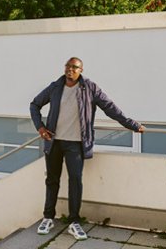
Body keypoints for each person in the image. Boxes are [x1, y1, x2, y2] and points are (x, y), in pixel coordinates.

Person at [30, 57, 145, 241]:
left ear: (81, 70)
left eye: (74, 67)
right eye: (68, 66)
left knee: (75, 181)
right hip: (54, 142)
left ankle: (73, 222)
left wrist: (131, 124)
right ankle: (48, 217)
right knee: (52, 180)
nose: (70, 70)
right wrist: (40, 127)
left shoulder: (90, 88)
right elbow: (34, 105)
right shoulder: (55, 87)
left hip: (75, 144)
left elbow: (110, 108)